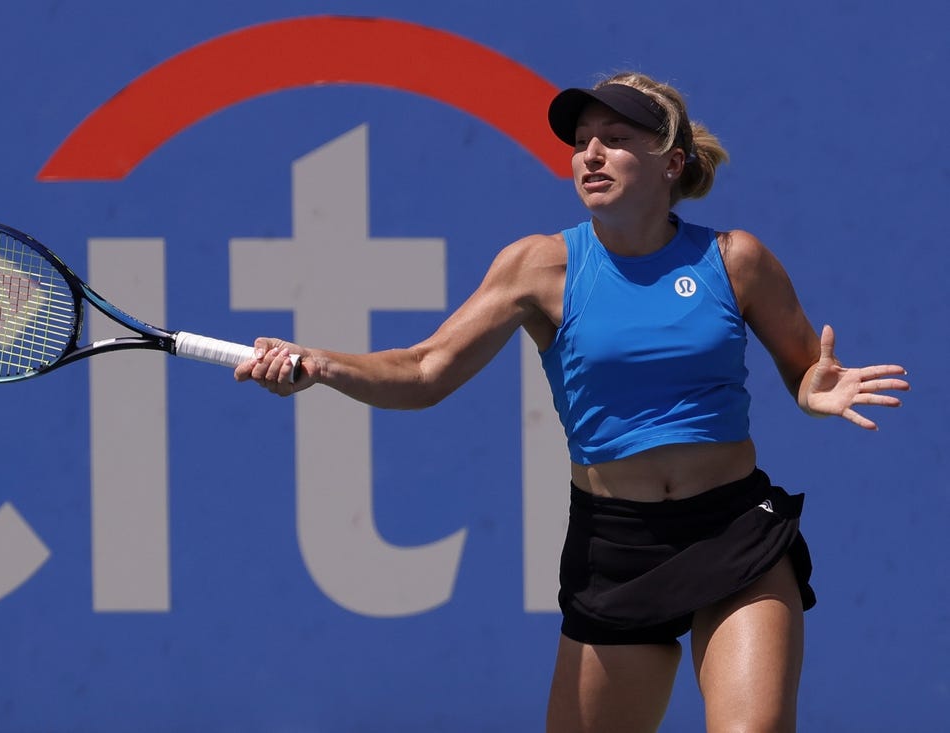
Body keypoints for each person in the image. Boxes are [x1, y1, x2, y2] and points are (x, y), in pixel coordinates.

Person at [233, 71, 910, 732]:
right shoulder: (539, 267)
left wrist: (813, 387)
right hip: (614, 545)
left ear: (671, 163)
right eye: (582, 139)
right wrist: (323, 365)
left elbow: (806, 371)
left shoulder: (736, 261)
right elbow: (424, 369)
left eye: (614, 138)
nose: (589, 153)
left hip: (734, 530)